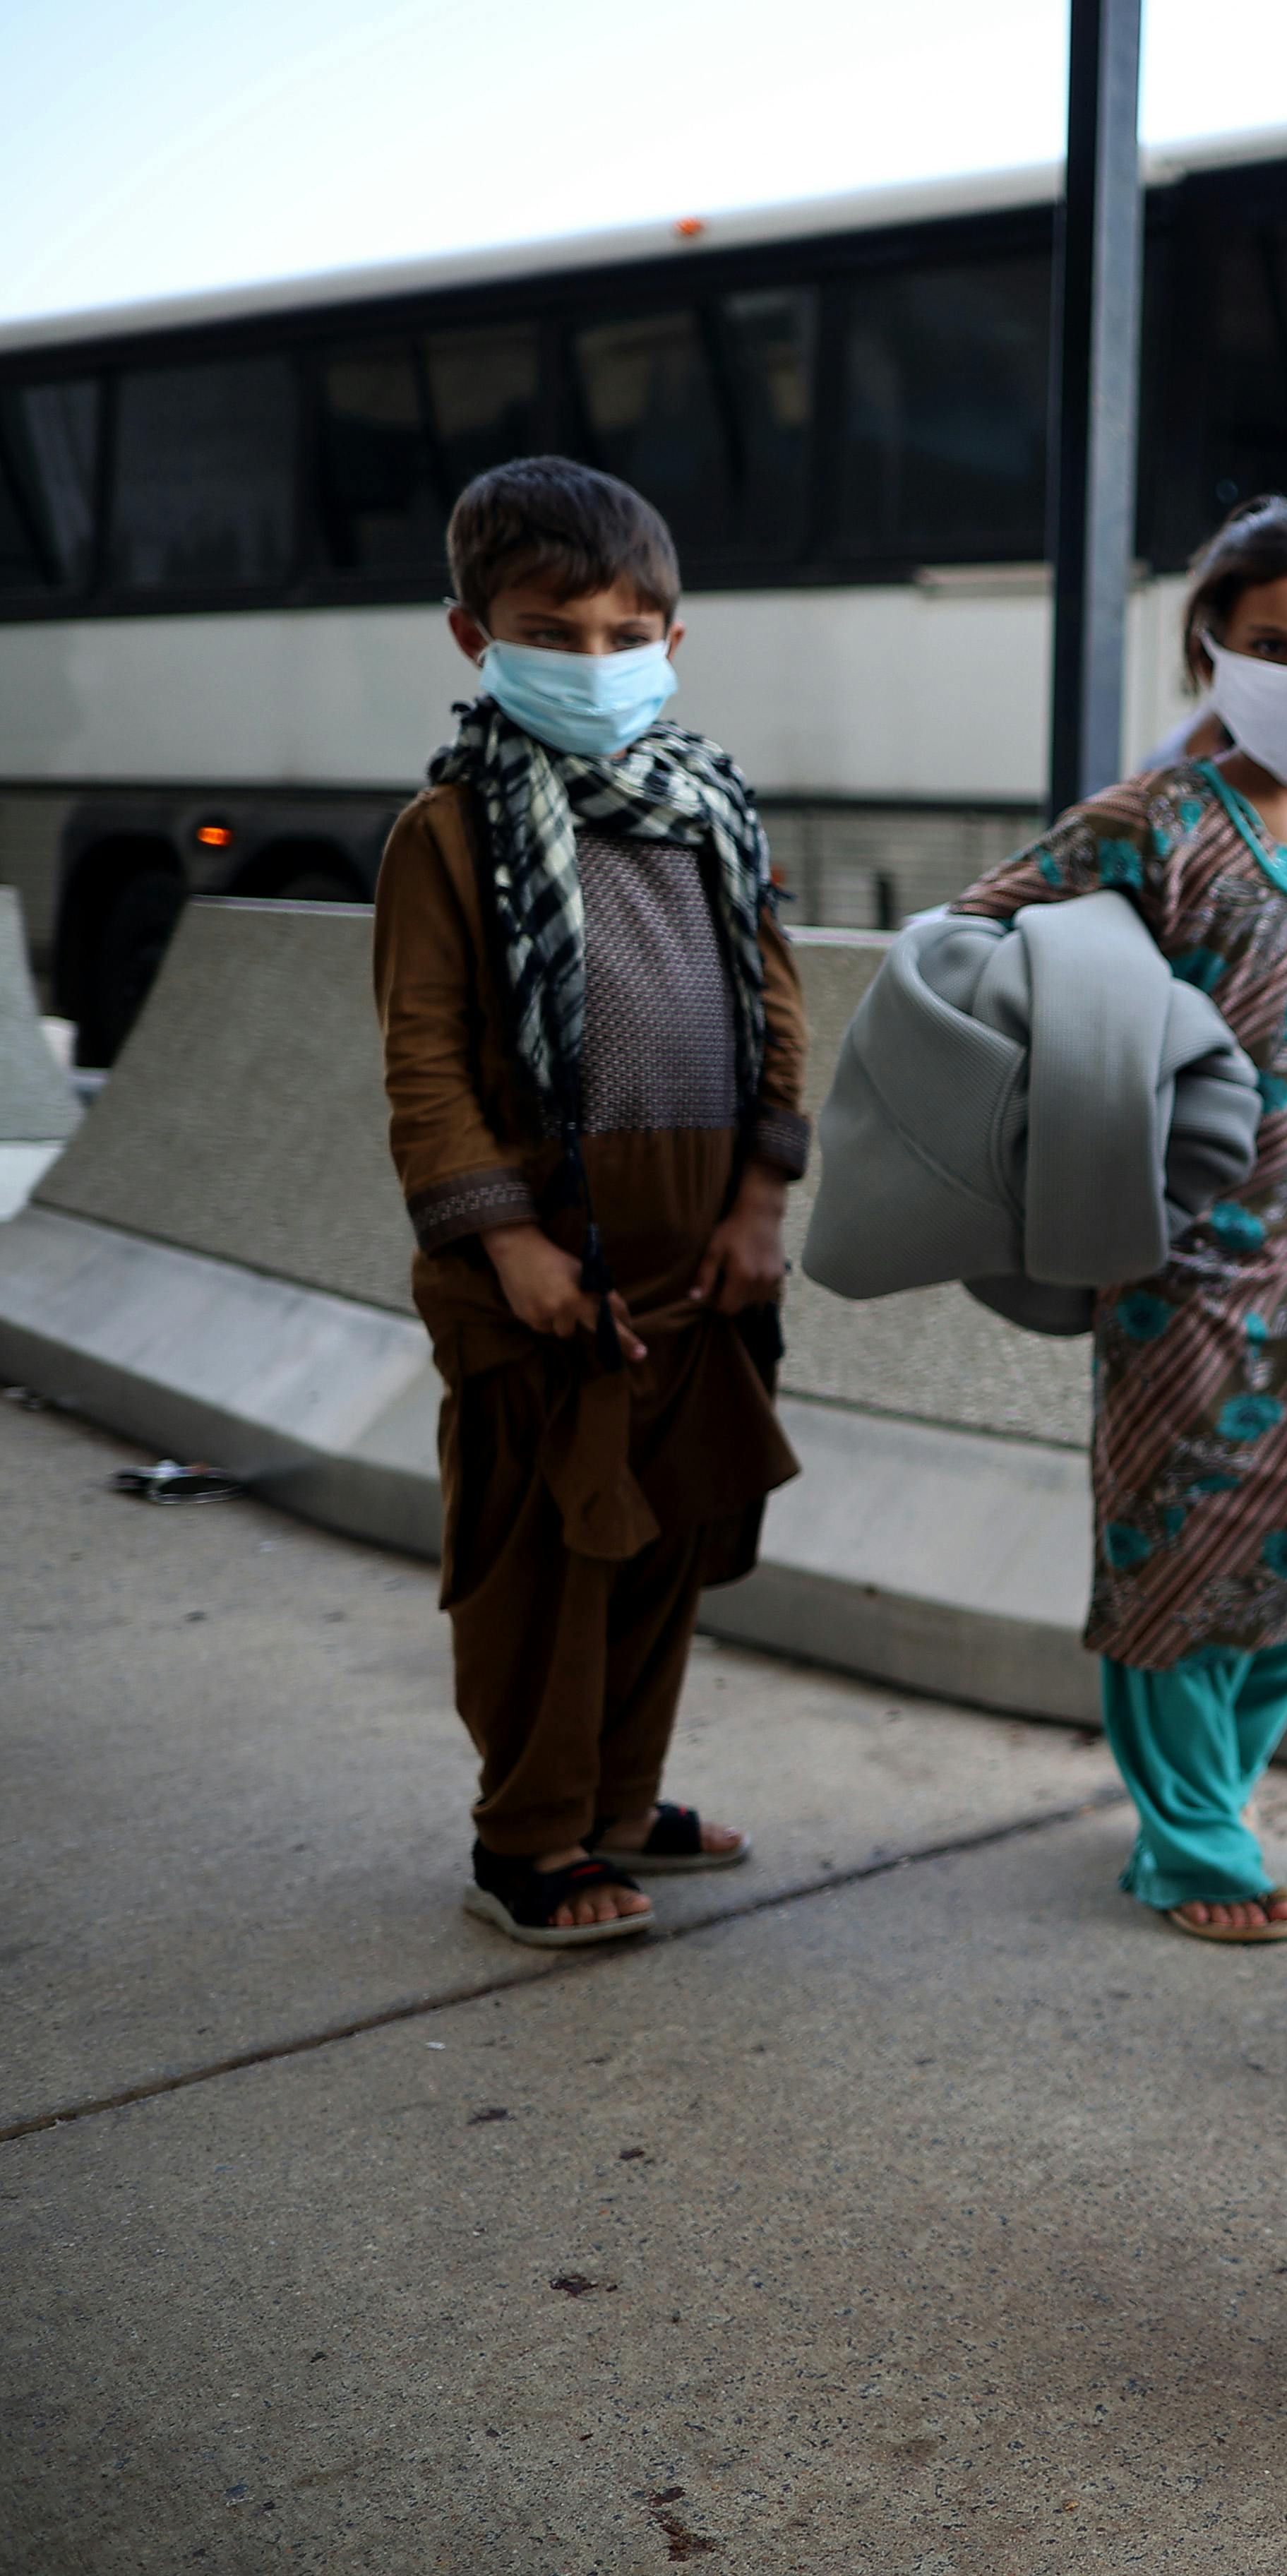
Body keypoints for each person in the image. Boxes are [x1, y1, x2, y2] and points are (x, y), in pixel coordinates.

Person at [949, 495, 1287, 1942]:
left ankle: (1210, 1792)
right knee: (1175, 1545)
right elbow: (973, 947)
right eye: (1273, 642)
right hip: (1175, 1265)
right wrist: (1105, 1091)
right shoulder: (1157, 822)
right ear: (1211, 650)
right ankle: (1191, 1840)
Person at [372, 458, 806, 1947]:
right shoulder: (448, 832)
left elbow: (776, 1013)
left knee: (665, 1542)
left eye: (629, 632)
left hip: (698, 1271)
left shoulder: (713, 812)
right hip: (540, 1280)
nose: (596, 660)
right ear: (473, 636)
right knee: (542, 1564)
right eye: (553, 632)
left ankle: (621, 1800)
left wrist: (760, 1205)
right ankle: (528, 1835)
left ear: (674, 643)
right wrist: (507, 1241)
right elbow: (426, 1064)